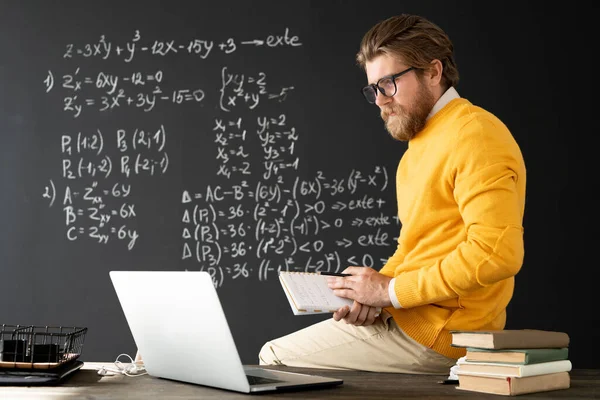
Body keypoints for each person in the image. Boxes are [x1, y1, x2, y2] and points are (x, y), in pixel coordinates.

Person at [258, 13, 526, 374]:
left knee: (273, 358)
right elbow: (414, 247)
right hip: (411, 320)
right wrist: (373, 298)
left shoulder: (475, 135)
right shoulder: (418, 148)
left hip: (444, 334)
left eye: (389, 83)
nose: (381, 101)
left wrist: (390, 292)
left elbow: (497, 253)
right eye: (373, 88)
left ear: (433, 72)